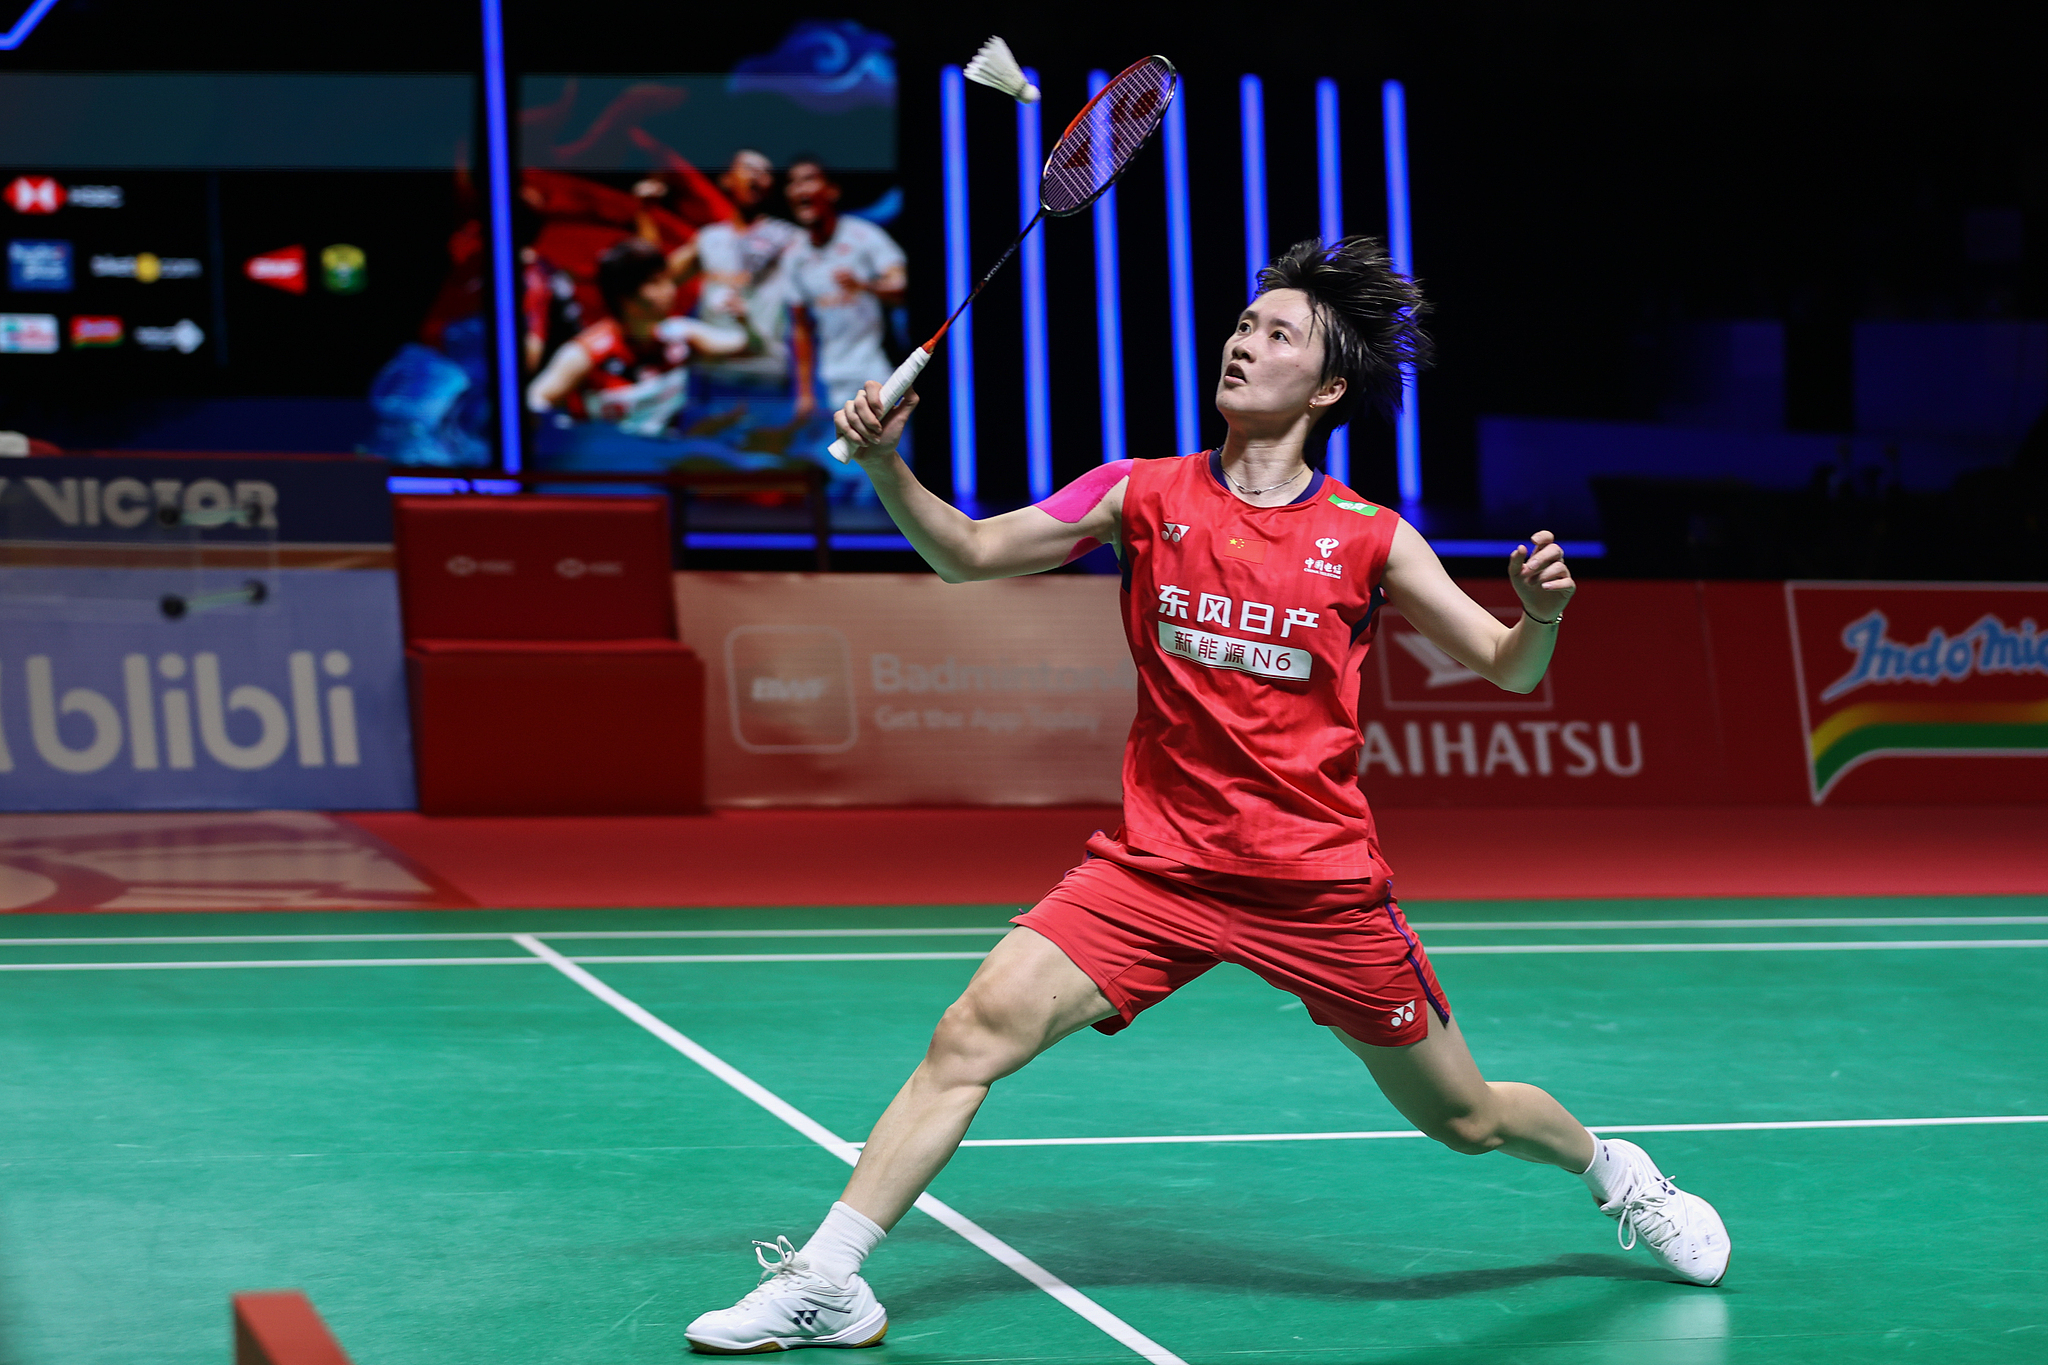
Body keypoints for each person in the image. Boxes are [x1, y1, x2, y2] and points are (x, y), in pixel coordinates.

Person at [682, 237, 1731, 1355]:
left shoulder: (1369, 537)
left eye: (1277, 334)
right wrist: (891, 466)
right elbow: (970, 554)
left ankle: (1616, 1172)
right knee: (970, 1034)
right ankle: (829, 1278)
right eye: (1242, 324)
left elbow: (1509, 667)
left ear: (1326, 389)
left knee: (1465, 1118)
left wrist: (1542, 613)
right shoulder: (1141, 492)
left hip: (1314, 884)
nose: (1242, 343)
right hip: (1157, 870)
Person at [525, 237, 752, 437]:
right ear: (625, 295)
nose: (670, 290)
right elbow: (534, 401)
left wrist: (745, 321)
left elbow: (747, 347)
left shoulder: (679, 333)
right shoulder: (585, 353)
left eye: (667, 279)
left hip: (666, 458)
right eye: (655, 282)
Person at [780, 154, 906, 440]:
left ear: (831, 191)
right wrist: (804, 393)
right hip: (830, 381)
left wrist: (865, 286)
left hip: (877, 372)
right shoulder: (793, 255)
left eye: (809, 180)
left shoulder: (864, 236)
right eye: (793, 182)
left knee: (884, 453)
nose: (800, 189)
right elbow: (800, 327)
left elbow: (902, 286)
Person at [687, 148, 809, 404]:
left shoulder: (790, 238)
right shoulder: (707, 238)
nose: (756, 175)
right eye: (749, 168)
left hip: (767, 371)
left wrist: (805, 391)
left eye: (764, 172)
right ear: (727, 179)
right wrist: (645, 212)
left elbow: (804, 317)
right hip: (714, 373)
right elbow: (656, 276)